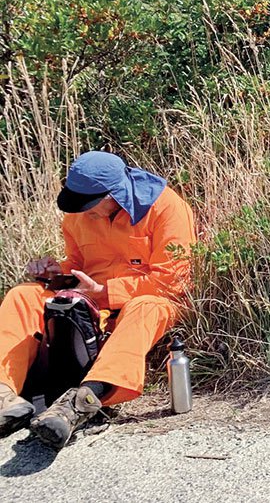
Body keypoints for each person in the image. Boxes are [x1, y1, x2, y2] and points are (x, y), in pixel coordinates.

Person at [0, 151, 196, 448]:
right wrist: (57, 274)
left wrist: (105, 292)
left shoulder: (167, 208)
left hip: (151, 299)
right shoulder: (77, 213)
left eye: (90, 207)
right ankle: (4, 396)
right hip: (90, 299)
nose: (83, 213)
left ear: (114, 194)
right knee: (23, 295)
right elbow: (78, 263)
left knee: (145, 308)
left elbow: (173, 281)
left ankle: (82, 402)